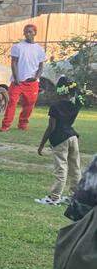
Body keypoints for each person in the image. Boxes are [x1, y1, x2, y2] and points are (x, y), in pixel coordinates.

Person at [37, 77, 82, 205]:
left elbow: (51, 127)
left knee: (61, 168)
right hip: (73, 137)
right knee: (75, 168)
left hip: (60, 139)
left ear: (59, 90)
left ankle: (54, 197)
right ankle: (74, 197)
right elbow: (80, 98)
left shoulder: (55, 107)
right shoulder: (75, 105)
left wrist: (41, 144)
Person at [1, 24, 46, 132]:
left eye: (30, 32)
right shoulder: (18, 47)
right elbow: (14, 63)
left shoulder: (39, 49)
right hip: (18, 81)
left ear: (35, 33)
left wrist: (36, 77)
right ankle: (5, 125)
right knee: (12, 102)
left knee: (29, 104)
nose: (28, 34)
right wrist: (16, 78)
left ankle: (23, 124)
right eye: (26, 32)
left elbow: (40, 66)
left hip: (32, 82)